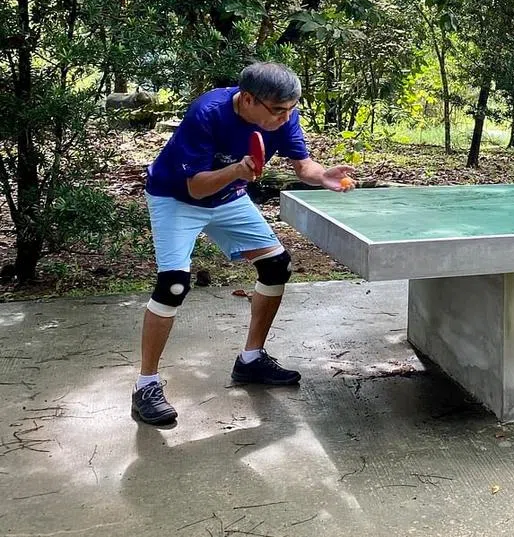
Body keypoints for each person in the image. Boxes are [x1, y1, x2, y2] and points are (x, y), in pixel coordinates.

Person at [132, 62, 355, 426]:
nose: (286, 117)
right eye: (278, 110)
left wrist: (323, 176)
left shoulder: (283, 113)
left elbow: (303, 166)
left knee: (276, 266)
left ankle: (251, 360)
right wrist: (237, 170)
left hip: (228, 197)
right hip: (177, 198)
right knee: (172, 285)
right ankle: (146, 386)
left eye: (291, 109)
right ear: (248, 99)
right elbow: (195, 188)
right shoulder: (207, 113)